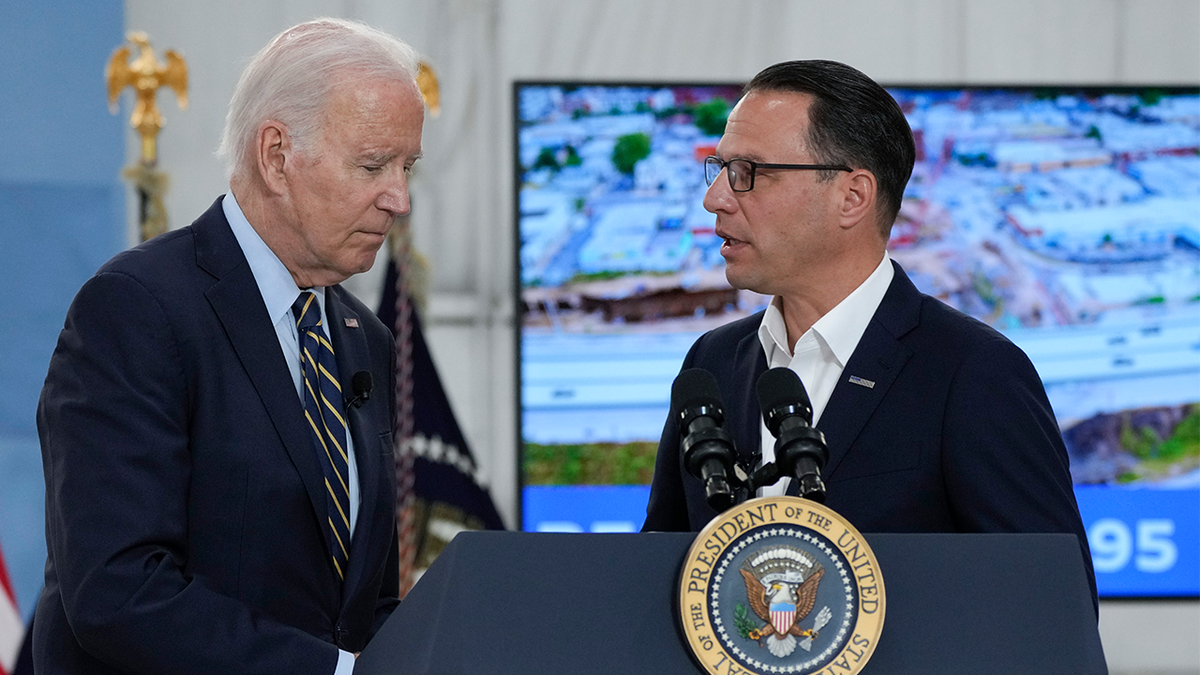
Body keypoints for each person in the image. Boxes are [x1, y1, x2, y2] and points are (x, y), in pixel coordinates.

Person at [35, 18, 425, 674]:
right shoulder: (136, 308)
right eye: (372, 164)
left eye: (407, 166)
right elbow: (118, 588)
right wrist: (335, 670)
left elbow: (355, 603)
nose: (400, 198)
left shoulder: (366, 339)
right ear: (276, 155)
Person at [642, 60, 1097, 609]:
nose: (715, 197)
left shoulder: (972, 371)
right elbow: (658, 575)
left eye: (748, 171)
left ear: (852, 196)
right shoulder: (712, 362)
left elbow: (1052, 606)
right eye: (719, 168)